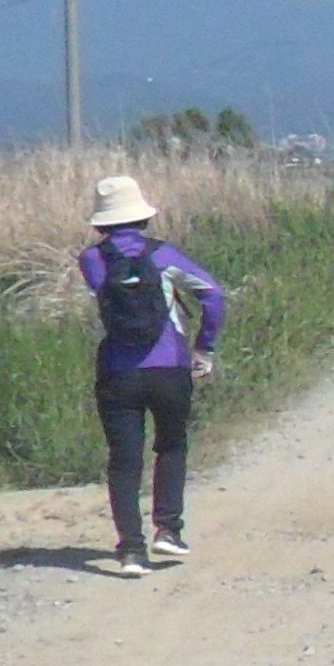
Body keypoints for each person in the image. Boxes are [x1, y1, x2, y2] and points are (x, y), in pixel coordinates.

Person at [79, 174, 227, 576]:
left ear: (101, 221)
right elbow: (212, 295)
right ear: (141, 215)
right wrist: (205, 348)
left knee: (124, 461)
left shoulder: (91, 260)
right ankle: (168, 529)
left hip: (118, 371)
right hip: (170, 367)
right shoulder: (163, 255)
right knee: (171, 445)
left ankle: (131, 551)